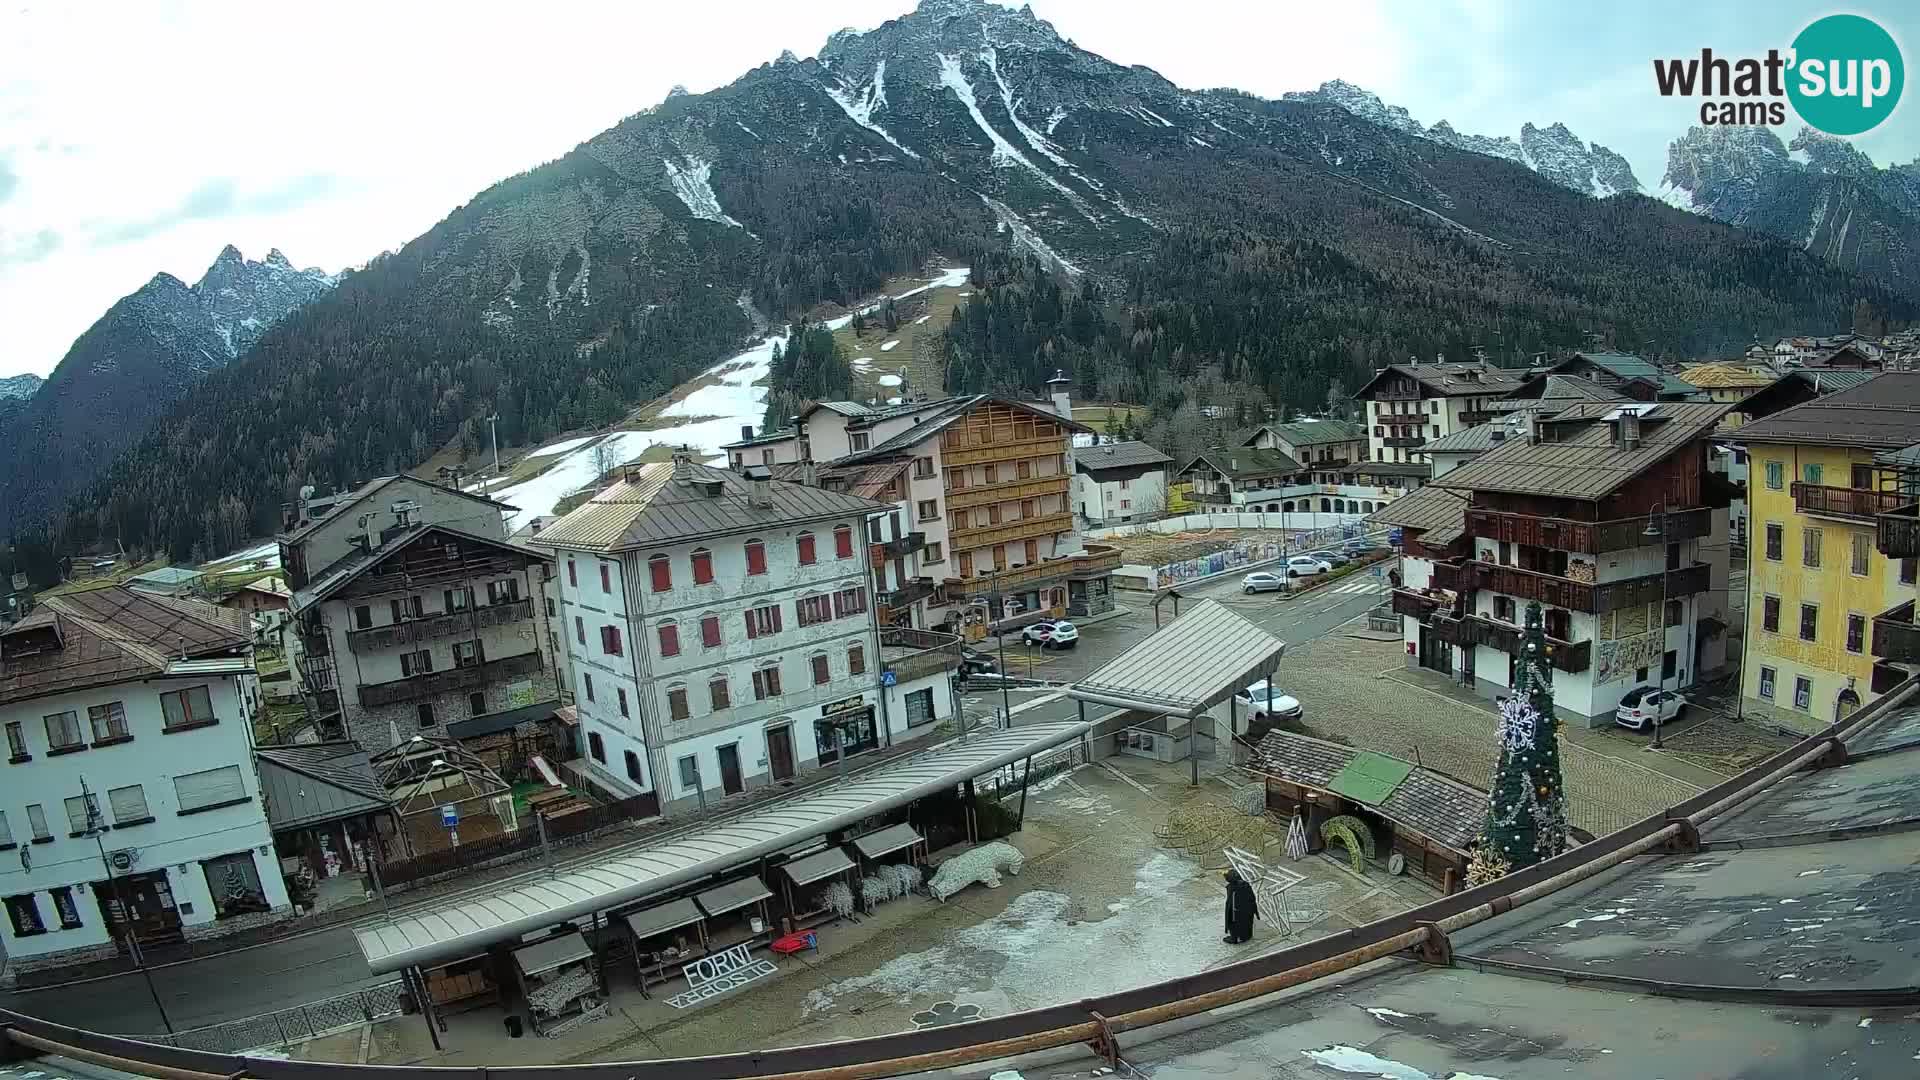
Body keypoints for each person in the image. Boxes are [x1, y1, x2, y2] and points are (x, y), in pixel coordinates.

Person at [1222, 869, 1257, 944]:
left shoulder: (1232, 888)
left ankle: (1234, 938)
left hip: (1236, 913)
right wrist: (1255, 911)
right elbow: (1252, 899)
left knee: (1234, 920)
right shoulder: (1246, 885)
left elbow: (1230, 907)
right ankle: (1246, 936)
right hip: (1247, 912)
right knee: (1247, 921)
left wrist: (1227, 923)